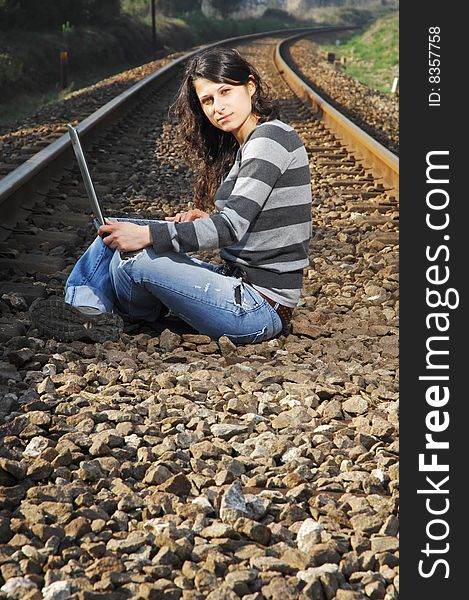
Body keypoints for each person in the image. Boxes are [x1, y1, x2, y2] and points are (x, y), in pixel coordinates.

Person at [30, 47, 312, 345]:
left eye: (226, 92)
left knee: (135, 257)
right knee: (116, 231)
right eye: (208, 100)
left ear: (250, 86)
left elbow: (231, 227)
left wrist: (151, 235)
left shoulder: (270, 138)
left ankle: (95, 311)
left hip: (258, 308)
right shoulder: (250, 143)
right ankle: (85, 314)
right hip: (237, 285)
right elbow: (251, 222)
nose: (218, 106)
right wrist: (205, 220)